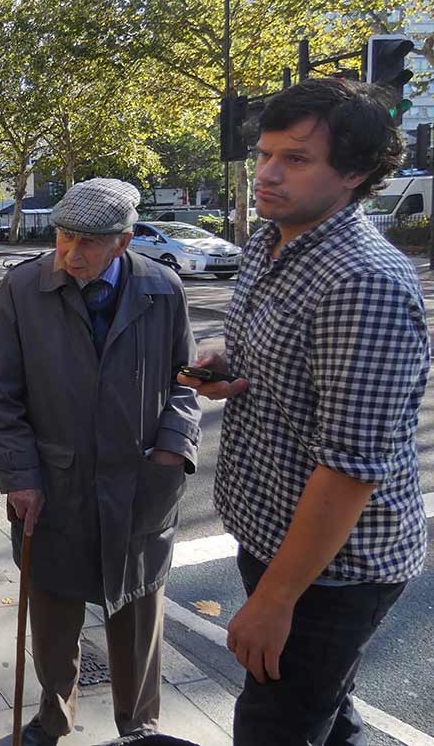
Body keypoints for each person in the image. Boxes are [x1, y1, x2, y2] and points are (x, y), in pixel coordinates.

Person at [181, 78, 429, 746]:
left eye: (295, 159)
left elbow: (351, 469)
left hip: (335, 572)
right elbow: (283, 357)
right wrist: (228, 362)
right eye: (264, 154)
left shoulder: (365, 282)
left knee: (274, 728)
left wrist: (275, 600)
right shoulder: (272, 241)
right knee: (328, 711)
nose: (267, 173)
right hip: (270, 534)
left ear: (353, 173)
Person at [0, 178, 201, 745]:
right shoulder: (23, 289)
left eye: (88, 241)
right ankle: (53, 718)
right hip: (55, 487)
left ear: (123, 242)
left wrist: (173, 449)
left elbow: (185, 382)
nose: (71, 252)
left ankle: (140, 727)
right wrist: (20, 478)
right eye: (63, 236)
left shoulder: (162, 287)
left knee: (136, 620)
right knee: (53, 618)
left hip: (139, 486)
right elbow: (3, 397)